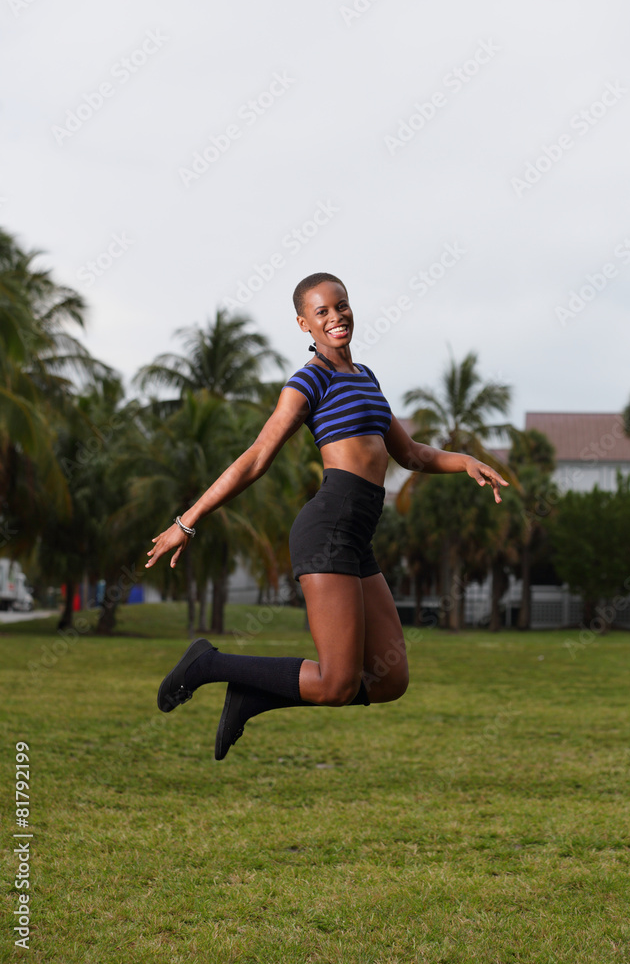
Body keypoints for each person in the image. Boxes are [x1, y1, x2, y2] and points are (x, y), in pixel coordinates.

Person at [146, 272, 508, 761]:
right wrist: (186, 521)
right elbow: (256, 458)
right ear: (304, 324)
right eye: (322, 312)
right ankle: (209, 664)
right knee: (337, 682)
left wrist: (462, 460)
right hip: (328, 528)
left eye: (341, 305)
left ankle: (251, 697)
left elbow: (410, 453)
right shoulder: (308, 381)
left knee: (389, 678)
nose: (336, 316)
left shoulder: (366, 378)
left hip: (357, 537)